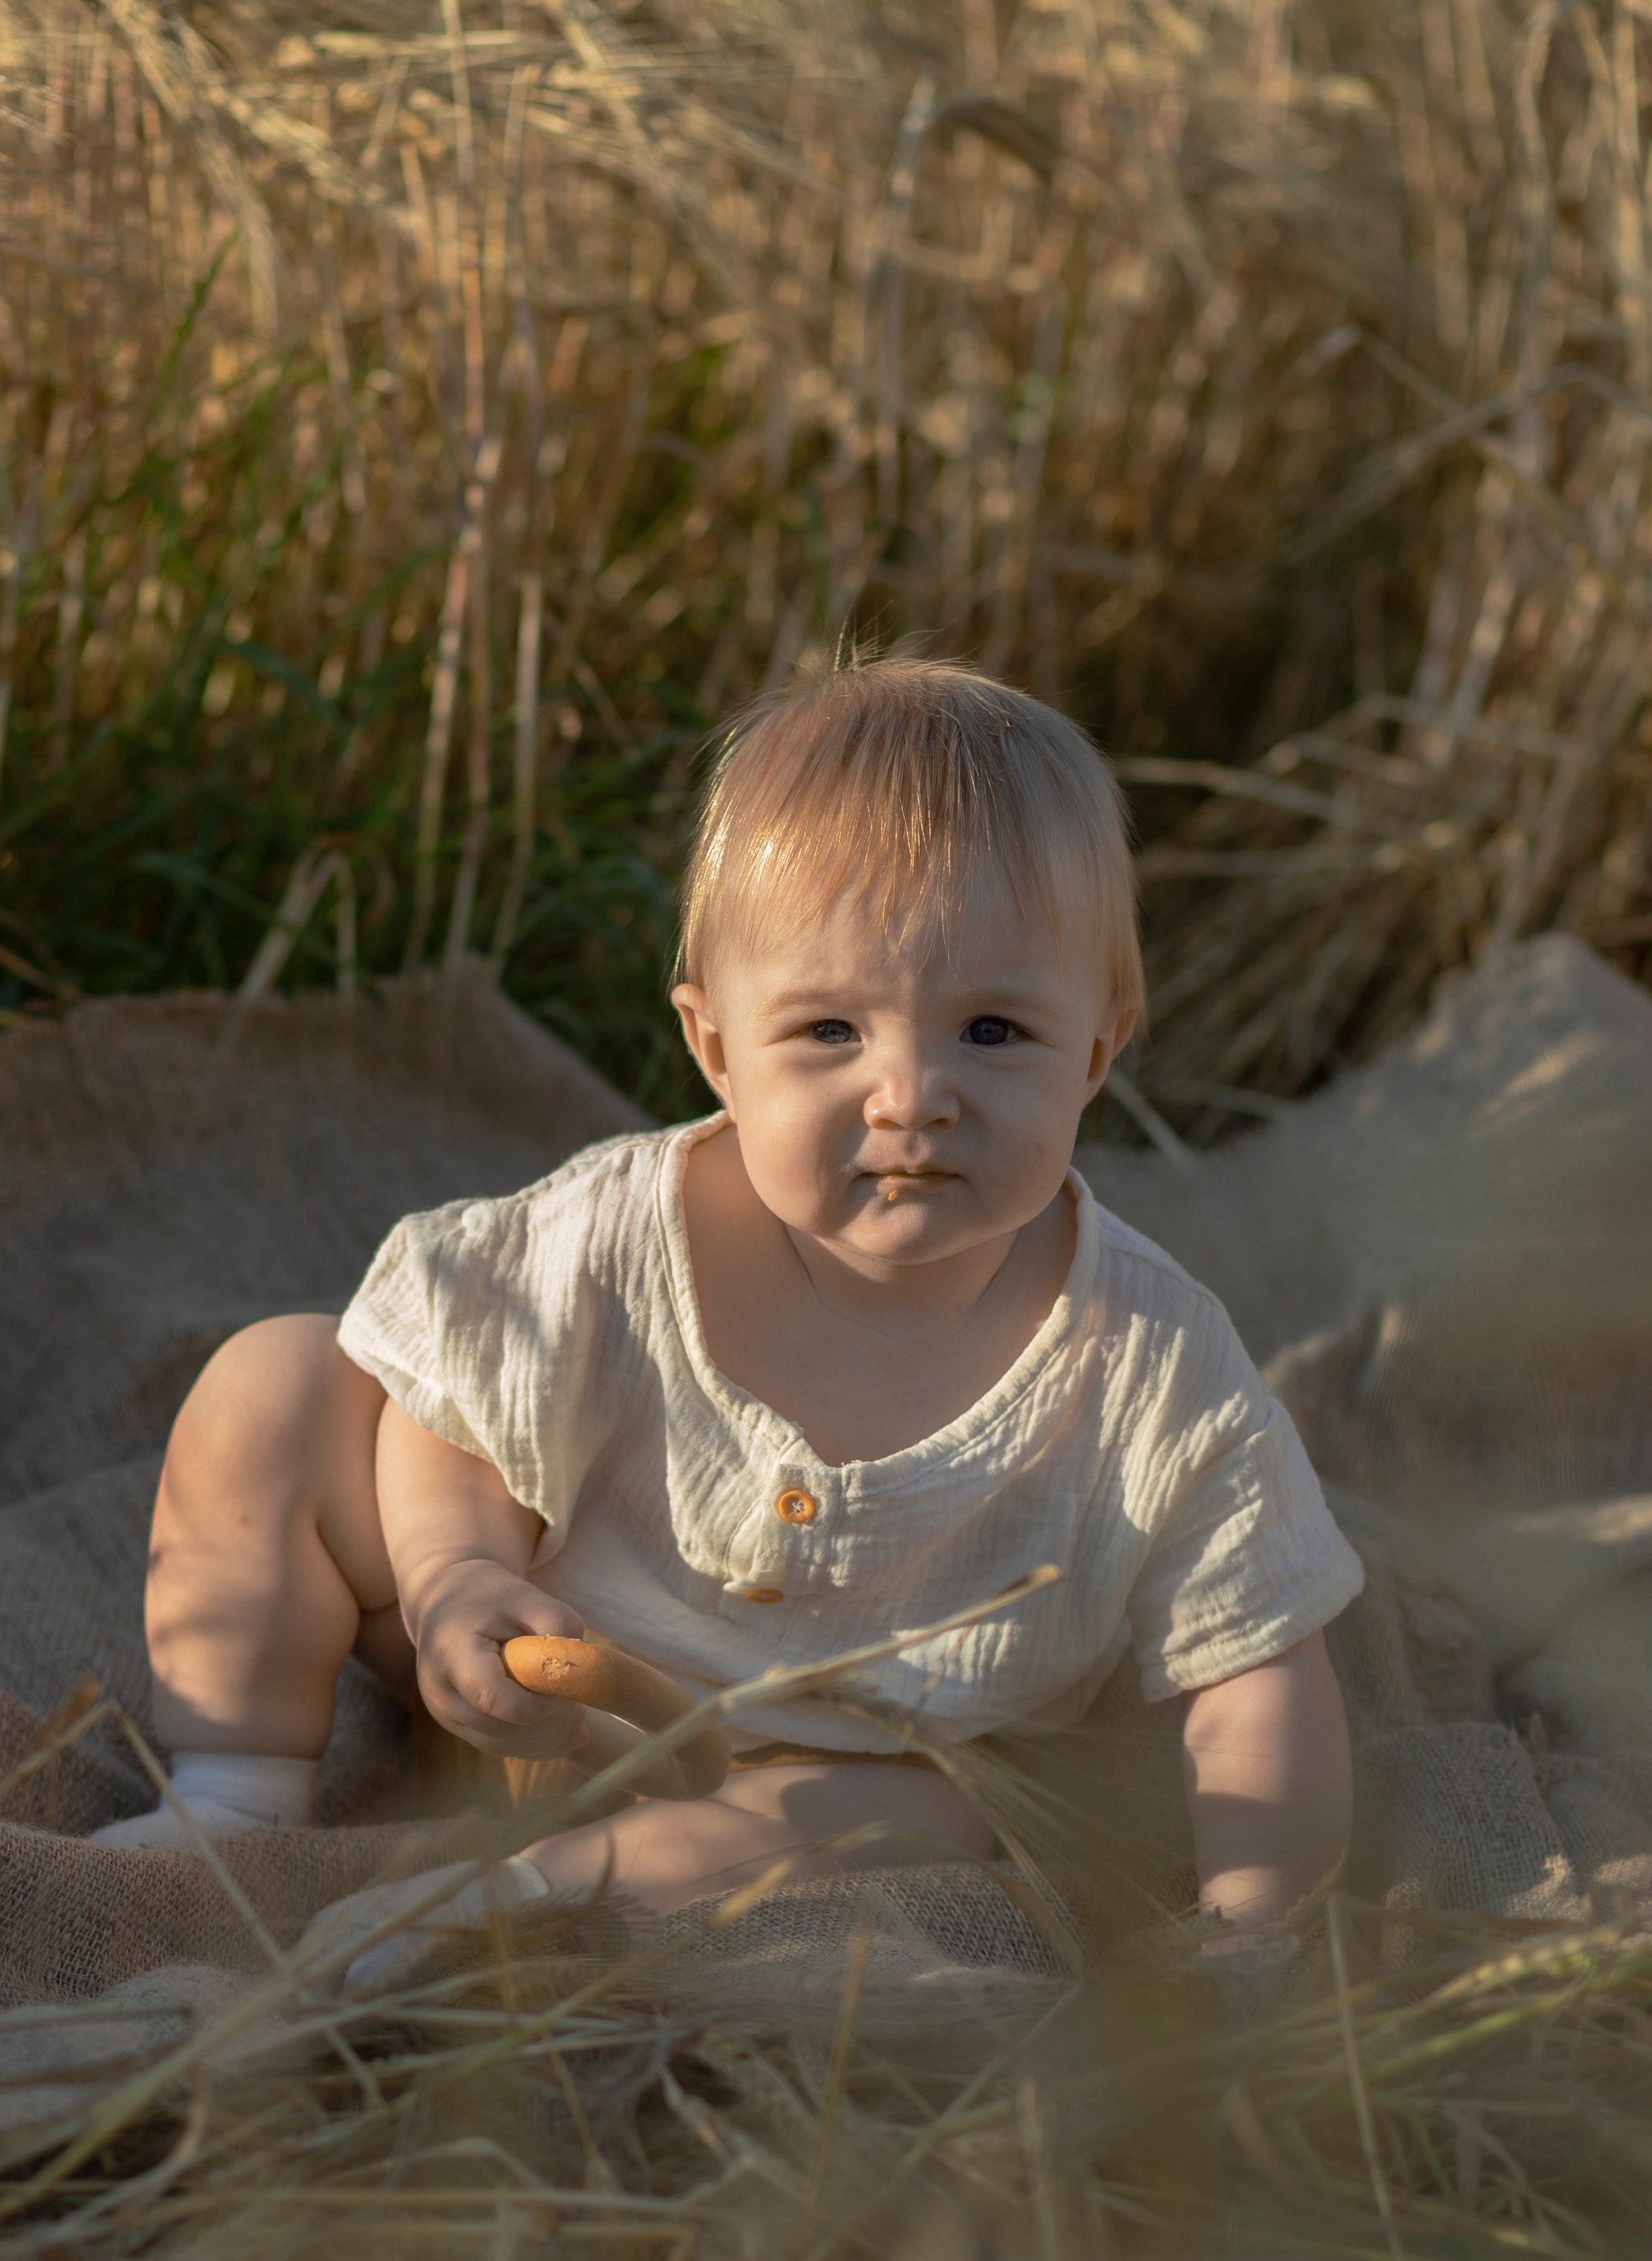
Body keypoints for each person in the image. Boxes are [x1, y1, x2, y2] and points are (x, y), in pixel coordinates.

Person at [92, 655, 1361, 1989]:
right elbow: (451, 1398)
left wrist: (1257, 1921)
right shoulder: (613, 1236)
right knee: (280, 1383)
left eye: (992, 1031)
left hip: (821, 1777)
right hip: (531, 1670)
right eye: (829, 1031)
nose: (911, 1095)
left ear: (1098, 1050)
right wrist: (455, 1571)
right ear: (716, 1050)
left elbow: (1258, 1668)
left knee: (936, 1816)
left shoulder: (1154, 1367)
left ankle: (533, 1896)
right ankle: (236, 1794)